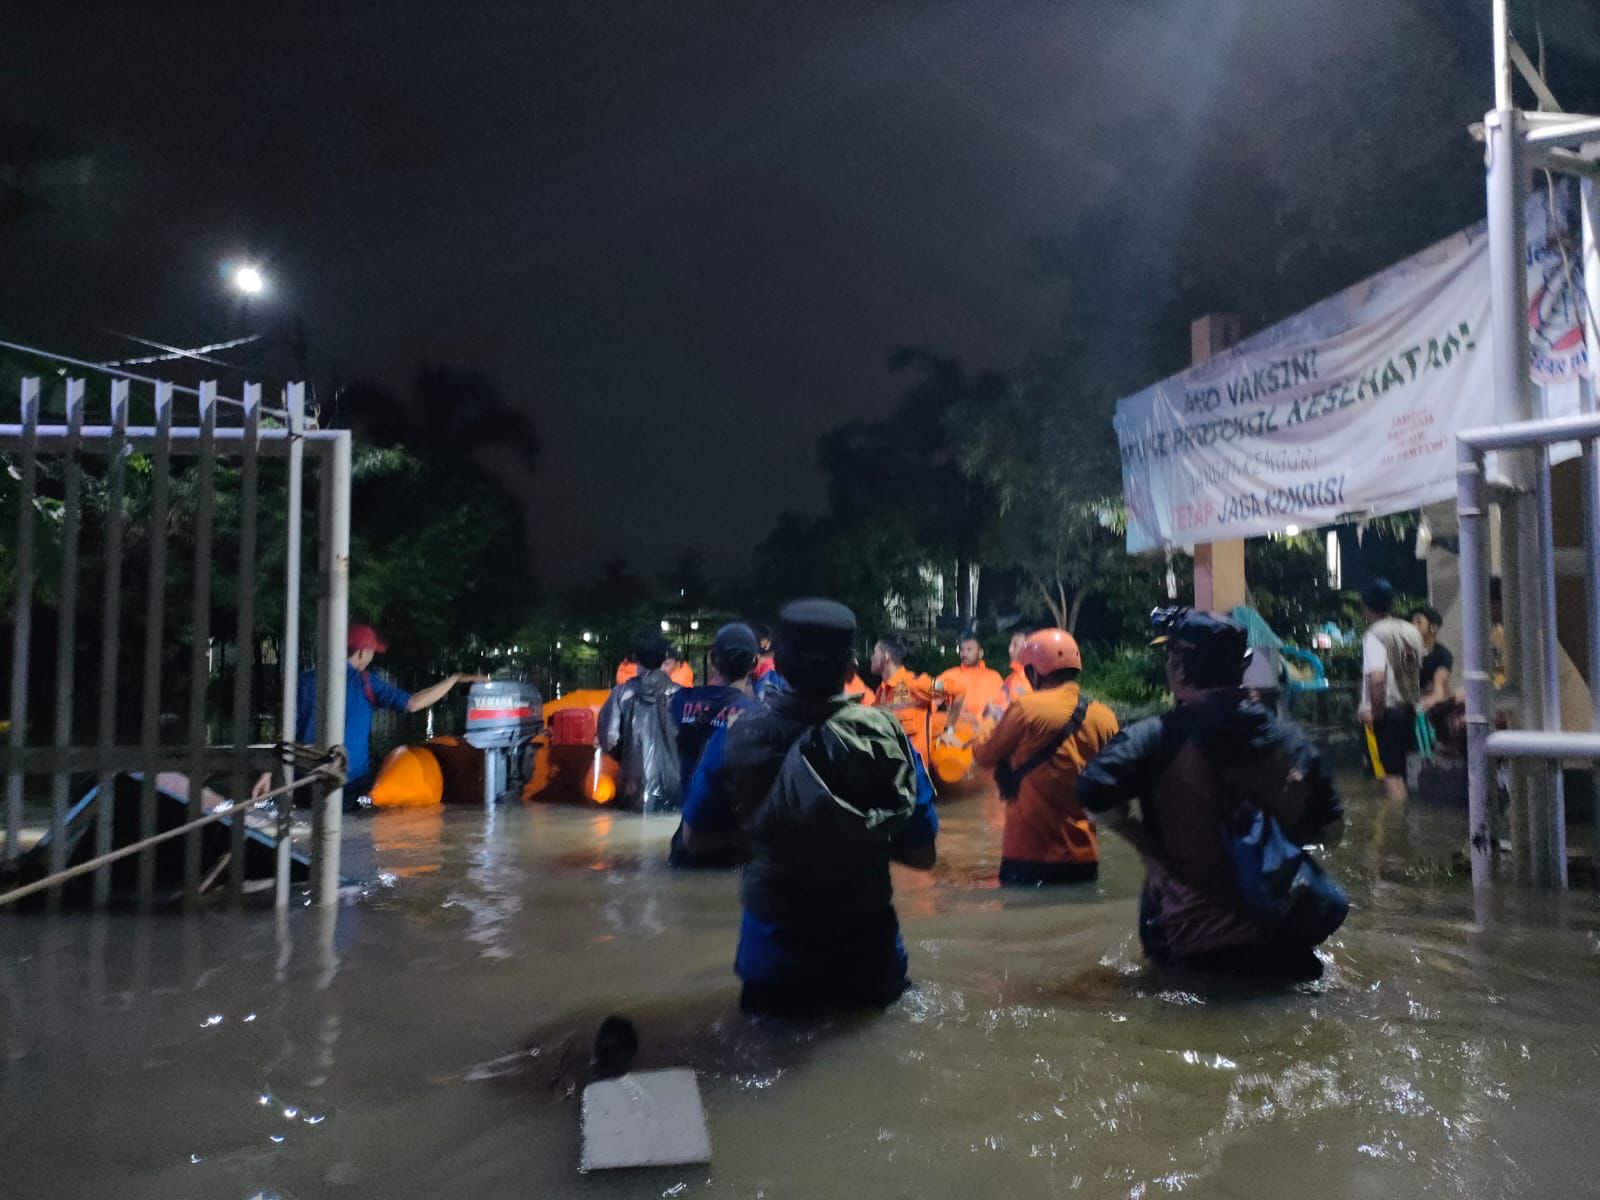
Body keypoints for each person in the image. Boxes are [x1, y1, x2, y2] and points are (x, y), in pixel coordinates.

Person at [677, 599, 938, 1014]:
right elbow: (923, 856)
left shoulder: (736, 737)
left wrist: (774, 831)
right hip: (868, 963)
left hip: (774, 968)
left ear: (776, 663)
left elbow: (695, 839)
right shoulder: (888, 738)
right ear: (851, 669)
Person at [1078, 610, 1346, 982]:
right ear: (1241, 669)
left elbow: (1092, 791)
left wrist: (1150, 853)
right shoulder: (1288, 741)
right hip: (1285, 936)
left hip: (1192, 940)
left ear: (1179, 670)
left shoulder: (1156, 737)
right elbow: (1332, 830)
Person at [261, 624, 485, 807]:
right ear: (360, 652)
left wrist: (269, 773)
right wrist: (454, 679)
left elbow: (285, 732)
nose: (371, 658)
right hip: (347, 783)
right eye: (371, 652)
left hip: (303, 779)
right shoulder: (365, 682)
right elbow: (414, 703)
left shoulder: (304, 680)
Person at [972, 628, 1119, 885]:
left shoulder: (1027, 709)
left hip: (1029, 855)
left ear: (1033, 671)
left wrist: (986, 725)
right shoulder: (1104, 716)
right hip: (1084, 858)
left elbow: (984, 756)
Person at [667, 625, 761, 868]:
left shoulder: (680, 702)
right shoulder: (756, 716)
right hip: (734, 845)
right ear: (755, 663)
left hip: (686, 838)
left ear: (712, 658)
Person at [598, 632, 684, 812]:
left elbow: (608, 739)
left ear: (636, 659)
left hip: (633, 790)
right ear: (664, 658)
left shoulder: (621, 694)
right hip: (676, 791)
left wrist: (625, 755)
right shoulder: (683, 695)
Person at [1359, 579, 1425, 801]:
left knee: (1391, 776)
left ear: (1366, 606)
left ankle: (1397, 830)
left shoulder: (1375, 634)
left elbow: (1377, 679)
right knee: (1402, 772)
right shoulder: (1412, 631)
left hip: (1387, 711)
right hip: (1409, 710)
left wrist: (1376, 713)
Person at [871, 634, 939, 765]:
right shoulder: (882, 692)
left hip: (915, 773)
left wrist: (950, 730)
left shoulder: (916, 682)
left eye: (875, 653)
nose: (872, 657)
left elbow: (955, 689)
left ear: (886, 657)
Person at [935, 632, 1006, 747]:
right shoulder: (949, 676)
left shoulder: (995, 677)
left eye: (969, 650)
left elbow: (1004, 709)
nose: (964, 654)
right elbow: (928, 696)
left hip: (989, 739)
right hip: (959, 739)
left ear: (981, 653)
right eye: (962, 650)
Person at [1411, 605, 1453, 707]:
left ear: (1433, 628)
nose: (1413, 626)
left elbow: (1439, 692)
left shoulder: (1442, 655)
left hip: (1428, 708)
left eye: (1419, 622)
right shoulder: (1405, 651)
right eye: (1412, 622)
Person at [999, 627, 1034, 710]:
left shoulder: (1034, 679)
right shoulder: (1010, 678)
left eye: (1015, 645)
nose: (1010, 650)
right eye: (1010, 645)